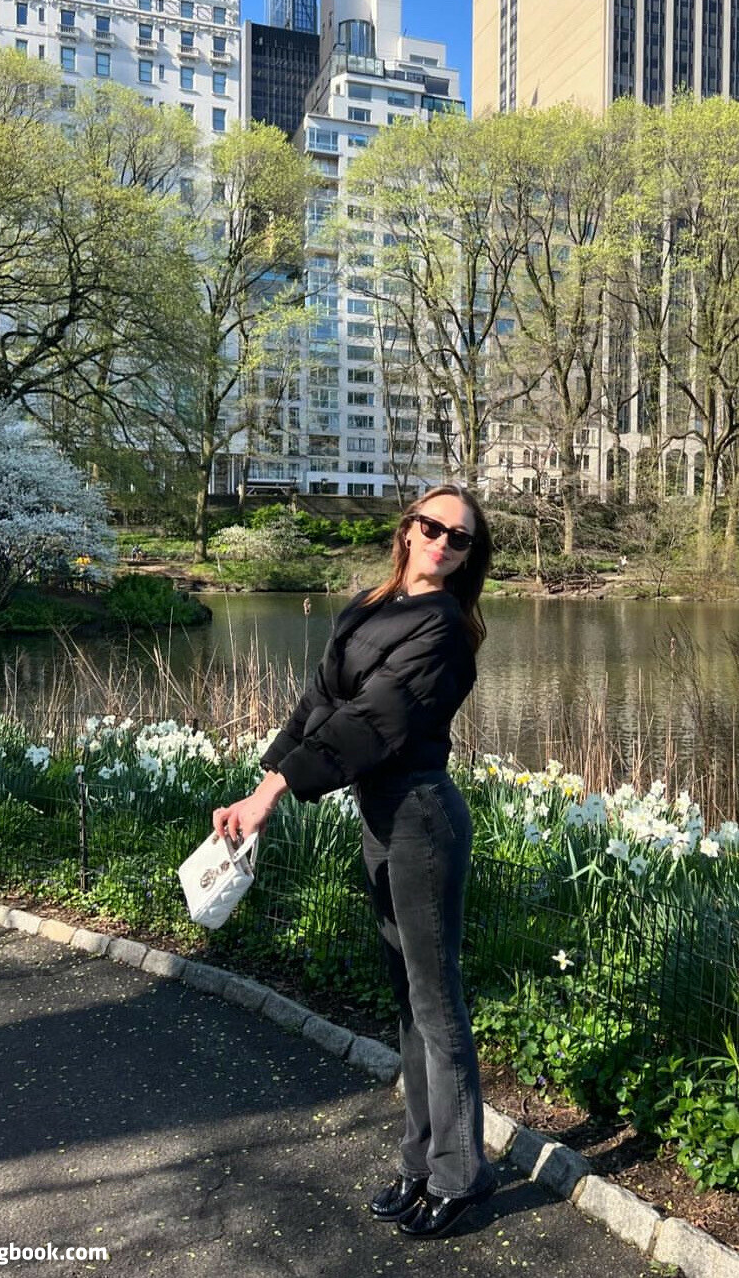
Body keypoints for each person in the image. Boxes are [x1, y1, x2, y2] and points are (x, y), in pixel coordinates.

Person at [212, 484, 497, 1240]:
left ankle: (461, 1174)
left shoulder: (442, 628)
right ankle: (420, 1161)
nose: (442, 542)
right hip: (381, 815)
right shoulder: (370, 607)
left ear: (469, 555)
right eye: (432, 526)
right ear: (407, 529)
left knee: (436, 1001)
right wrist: (263, 782)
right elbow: (318, 705)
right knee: (407, 998)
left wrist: (277, 792)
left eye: (460, 538)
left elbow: (375, 720)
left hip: (422, 818)